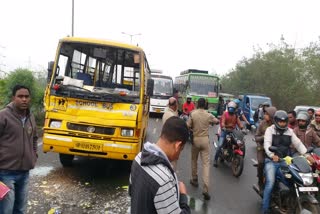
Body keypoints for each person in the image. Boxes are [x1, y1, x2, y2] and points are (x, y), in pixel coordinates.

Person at [129, 116, 190, 214]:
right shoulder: (164, 179)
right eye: (181, 150)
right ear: (177, 145)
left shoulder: (138, 158)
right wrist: (183, 197)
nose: (178, 157)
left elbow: (132, 194)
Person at [261, 110, 314, 213]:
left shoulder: (289, 131)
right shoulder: (269, 130)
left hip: (285, 161)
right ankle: (265, 210)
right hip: (271, 161)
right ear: (276, 121)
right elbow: (267, 144)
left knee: (293, 183)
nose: (282, 123)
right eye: (280, 122)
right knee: (270, 183)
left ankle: (289, 204)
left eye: (284, 121)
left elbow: (298, 144)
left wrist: (307, 155)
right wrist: (272, 155)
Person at [0, 85, 38, 214]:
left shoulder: (30, 117)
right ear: (13, 98)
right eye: (20, 96)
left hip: (24, 172)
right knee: (6, 209)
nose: (24, 99)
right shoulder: (3, 116)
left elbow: (34, 138)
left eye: (26, 97)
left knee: (20, 209)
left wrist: (34, 155)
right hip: (5, 172)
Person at [187, 98, 219, 200]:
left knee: (194, 160)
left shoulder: (193, 114)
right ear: (205, 105)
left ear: (196, 104)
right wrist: (211, 122)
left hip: (196, 140)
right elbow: (217, 121)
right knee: (206, 164)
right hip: (205, 141)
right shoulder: (208, 114)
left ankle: (195, 179)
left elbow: (187, 125)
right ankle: (205, 189)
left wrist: (192, 129)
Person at [213, 101, 245, 167]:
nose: (231, 109)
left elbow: (239, 123)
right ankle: (215, 160)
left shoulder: (235, 116)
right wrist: (223, 127)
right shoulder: (225, 114)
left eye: (233, 108)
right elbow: (223, 122)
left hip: (233, 131)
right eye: (231, 108)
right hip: (225, 131)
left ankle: (231, 153)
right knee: (220, 146)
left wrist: (242, 128)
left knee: (237, 143)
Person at [254, 106, 277, 193]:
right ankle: (260, 182)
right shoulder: (262, 124)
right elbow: (256, 137)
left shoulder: (276, 124)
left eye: (266, 114)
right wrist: (265, 137)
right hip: (262, 148)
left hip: (273, 149)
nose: (264, 115)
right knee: (261, 163)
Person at [162, 97, 179, 170]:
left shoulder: (166, 112)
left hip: (165, 140)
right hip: (171, 142)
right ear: (175, 105)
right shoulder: (172, 116)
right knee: (172, 165)